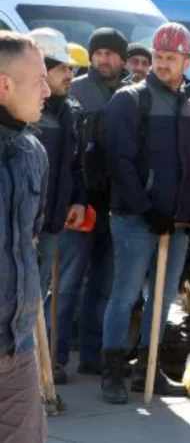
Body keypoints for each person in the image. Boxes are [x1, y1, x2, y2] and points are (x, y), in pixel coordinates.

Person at [101, 22, 190, 405]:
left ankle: (148, 369)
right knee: (125, 295)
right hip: (135, 219)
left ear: (187, 60)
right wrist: (147, 209)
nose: (163, 64)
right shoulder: (130, 99)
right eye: (159, 57)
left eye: (171, 58)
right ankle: (113, 372)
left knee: (163, 298)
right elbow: (120, 161)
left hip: (178, 223)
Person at [63, 27, 130, 379]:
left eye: (111, 53)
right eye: (98, 53)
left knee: (104, 285)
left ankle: (92, 355)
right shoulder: (75, 90)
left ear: (122, 58)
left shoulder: (134, 93)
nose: (104, 59)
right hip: (81, 202)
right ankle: (56, 357)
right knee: (67, 282)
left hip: (118, 204)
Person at [28, 28, 88, 385]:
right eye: (63, 67)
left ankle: (36, 380)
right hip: (23, 228)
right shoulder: (21, 115)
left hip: (51, 223)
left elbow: (75, 163)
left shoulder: (69, 111)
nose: (70, 75)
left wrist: (78, 199)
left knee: (36, 302)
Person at [0, 30, 51, 443]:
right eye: (39, 80)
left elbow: (28, 238)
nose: (48, 90)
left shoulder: (33, 153)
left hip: (16, 345)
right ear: (5, 84)